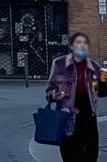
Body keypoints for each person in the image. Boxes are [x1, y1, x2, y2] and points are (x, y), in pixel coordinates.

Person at [46, 32, 107, 161]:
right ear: (72, 47)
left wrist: (104, 82)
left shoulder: (94, 67)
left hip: (88, 116)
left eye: (85, 43)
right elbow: (49, 91)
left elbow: (101, 93)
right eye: (79, 43)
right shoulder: (59, 64)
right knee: (70, 154)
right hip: (68, 115)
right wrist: (54, 96)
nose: (82, 46)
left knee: (91, 154)